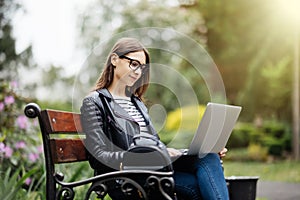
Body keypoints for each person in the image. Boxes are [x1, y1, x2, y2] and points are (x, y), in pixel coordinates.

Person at [80, 37, 229, 200]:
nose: (138, 72)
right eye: (133, 64)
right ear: (115, 59)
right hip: (128, 177)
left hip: (155, 169)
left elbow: (154, 143)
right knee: (199, 185)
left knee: (208, 156)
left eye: (142, 68)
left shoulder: (137, 103)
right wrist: (139, 157)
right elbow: (98, 155)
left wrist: (179, 152)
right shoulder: (95, 101)